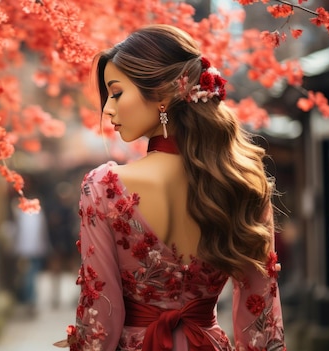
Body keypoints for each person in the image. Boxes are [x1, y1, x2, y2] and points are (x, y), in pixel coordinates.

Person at [56, 24, 285, 351]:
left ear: (163, 95)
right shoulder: (242, 183)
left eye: (117, 93)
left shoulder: (104, 187)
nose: (108, 109)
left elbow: (100, 323)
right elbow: (262, 326)